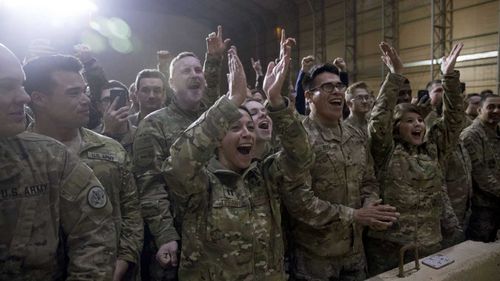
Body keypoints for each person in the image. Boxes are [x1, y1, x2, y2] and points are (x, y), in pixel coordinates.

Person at [0, 43, 116, 280]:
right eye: (6, 86)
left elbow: (95, 230)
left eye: (21, 85)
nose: (24, 96)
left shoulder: (49, 157)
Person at [23, 54, 143, 280]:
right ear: (39, 99)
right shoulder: (16, 157)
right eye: (73, 93)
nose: (86, 100)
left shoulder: (112, 150)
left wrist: (122, 262)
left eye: (85, 91)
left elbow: (132, 213)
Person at [132, 25, 229, 280]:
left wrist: (215, 59)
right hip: (179, 240)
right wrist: (165, 234)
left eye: (198, 70)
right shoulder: (154, 124)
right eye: (186, 71)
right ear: (171, 83)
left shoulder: (214, 118)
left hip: (221, 232)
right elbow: (149, 184)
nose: (195, 75)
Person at [288, 62, 398, 281]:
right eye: (328, 87)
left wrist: (370, 204)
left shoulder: (355, 135)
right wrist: (354, 215)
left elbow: (369, 180)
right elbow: (298, 201)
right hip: (315, 258)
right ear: (309, 96)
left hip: (354, 252)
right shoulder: (301, 138)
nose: (337, 90)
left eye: (339, 85)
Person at [365, 42, 464, 276]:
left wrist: (449, 77)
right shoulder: (386, 151)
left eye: (419, 120)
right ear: (397, 127)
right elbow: (378, 121)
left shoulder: (433, 149)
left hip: (429, 243)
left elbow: (453, 119)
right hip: (388, 248)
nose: (418, 124)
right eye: (409, 121)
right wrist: (395, 76)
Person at [460, 92, 500, 242]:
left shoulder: (496, 132)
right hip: (481, 208)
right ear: (479, 110)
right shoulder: (471, 135)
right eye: (491, 107)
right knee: (479, 251)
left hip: (496, 204)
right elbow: (480, 174)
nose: (496, 111)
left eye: (499, 107)